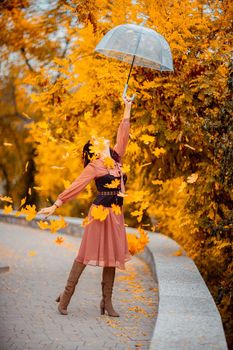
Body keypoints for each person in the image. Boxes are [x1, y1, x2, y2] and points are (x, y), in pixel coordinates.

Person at [37, 94, 133, 317]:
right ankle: (66, 297)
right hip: (98, 213)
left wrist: (127, 107)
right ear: (95, 151)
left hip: (116, 214)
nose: (103, 139)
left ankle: (106, 303)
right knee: (84, 254)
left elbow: (124, 135)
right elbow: (77, 185)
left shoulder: (117, 160)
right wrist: (57, 204)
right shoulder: (95, 166)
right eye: (99, 141)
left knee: (112, 258)